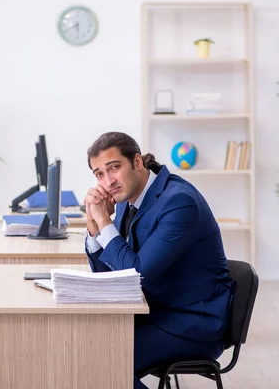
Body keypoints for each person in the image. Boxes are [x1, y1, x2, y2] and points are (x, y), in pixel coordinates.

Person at [84, 132, 233, 389]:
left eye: (114, 168)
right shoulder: (125, 202)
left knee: (107, 360)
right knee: (82, 345)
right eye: (99, 174)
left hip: (191, 323)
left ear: (137, 162)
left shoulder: (179, 202)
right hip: (153, 312)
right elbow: (112, 277)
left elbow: (136, 274)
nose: (108, 181)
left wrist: (105, 222)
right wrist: (94, 230)